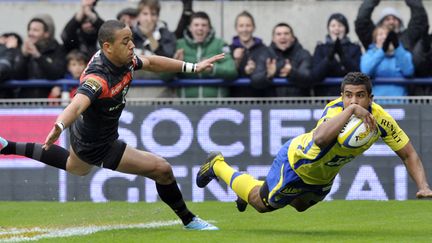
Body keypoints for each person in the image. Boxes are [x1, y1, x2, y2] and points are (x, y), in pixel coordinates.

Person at [0, 20, 223, 230]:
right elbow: (76, 105)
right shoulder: (99, 79)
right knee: (161, 169)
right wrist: (59, 125)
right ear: (107, 47)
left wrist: (193, 67)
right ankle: (189, 220)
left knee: (74, 167)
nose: (132, 45)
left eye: (131, 39)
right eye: (125, 42)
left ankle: (7, 146)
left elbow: (153, 62)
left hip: (84, 134)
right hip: (98, 144)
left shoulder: (124, 59)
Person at [196, 72, 432, 214]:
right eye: (348, 94)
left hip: (323, 177)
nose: (354, 99)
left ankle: (249, 186)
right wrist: (350, 110)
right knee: (262, 204)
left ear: (371, 98)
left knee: (300, 206)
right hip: (297, 164)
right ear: (342, 96)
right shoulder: (335, 109)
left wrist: (423, 185)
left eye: (360, 95)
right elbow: (320, 138)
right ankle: (217, 165)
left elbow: (408, 154)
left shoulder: (380, 119)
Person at [175, 11, 237, 98]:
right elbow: (164, 77)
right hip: (186, 106)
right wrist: (175, 64)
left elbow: (232, 70)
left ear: (209, 28)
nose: (200, 28)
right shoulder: (179, 45)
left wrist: (212, 68)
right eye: (196, 25)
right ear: (190, 28)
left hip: (217, 107)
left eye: (204, 25)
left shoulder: (220, 44)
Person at [13, 15, 67, 98]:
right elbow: (16, 76)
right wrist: (24, 56)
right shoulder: (22, 49)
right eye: (30, 29)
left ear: (46, 34)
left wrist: (37, 56)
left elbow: (57, 74)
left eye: (35, 30)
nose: (30, 33)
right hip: (25, 103)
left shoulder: (58, 49)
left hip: (48, 103)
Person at [312, 13, 361, 96]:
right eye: (333, 25)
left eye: (340, 25)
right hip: (325, 96)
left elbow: (357, 73)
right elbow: (315, 75)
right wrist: (329, 58)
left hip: (349, 96)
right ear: (328, 29)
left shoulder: (354, 48)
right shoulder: (320, 48)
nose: (336, 29)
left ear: (346, 29)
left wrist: (342, 56)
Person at [229, 11, 276, 97]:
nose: (245, 29)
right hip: (235, 102)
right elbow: (227, 76)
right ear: (236, 28)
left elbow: (267, 74)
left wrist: (262, 72)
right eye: (241, 26)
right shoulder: (229, 50)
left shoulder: (264, 49)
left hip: (260, 100)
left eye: (248, 25)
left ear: (253, 27)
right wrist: (237, 62)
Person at [354, 0, 428, 52]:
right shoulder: (373, 38)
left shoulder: (408, 37)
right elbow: (362, 20)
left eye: (395, 19)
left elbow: (420, 19)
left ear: (400, 22)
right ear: (381, 23)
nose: (391, 22)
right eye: (387, 19)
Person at [360, 26, 413, 97]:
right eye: (380, 34)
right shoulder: (369, 55)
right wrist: (382, 50)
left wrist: (397, 47)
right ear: (375, 40)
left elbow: (408, 71)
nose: (384, 37)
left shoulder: (404, 54)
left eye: (387, 35)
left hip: (400, 102)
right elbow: (365, 71)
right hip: (377, 102)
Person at [269, 23, 313, 97]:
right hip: (271, 105)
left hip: (299, 105)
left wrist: (291, 72)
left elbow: (307, 76)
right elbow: (258, 78)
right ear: (273, 39)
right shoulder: (266, 54)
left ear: (292, 38)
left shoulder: (303, 54)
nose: (283, 37)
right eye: (279, 34)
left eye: (286, 34)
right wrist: (269, 73)